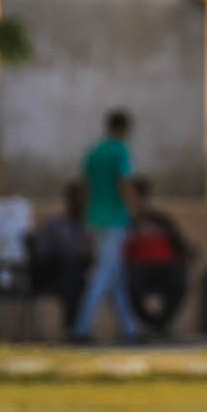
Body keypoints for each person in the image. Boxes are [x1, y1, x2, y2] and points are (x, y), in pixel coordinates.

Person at [73, 108, 142, 343]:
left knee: (115, 275)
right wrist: (135, 211)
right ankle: (81, 328)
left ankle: (130, 328)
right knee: (102, 274)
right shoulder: (119, 151)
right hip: (114, 219)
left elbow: (84, 187)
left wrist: (84, 216)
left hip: (93, 218)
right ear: (124, 128)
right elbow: (125, 183)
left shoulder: (93, 152)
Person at [123, 175, 192, 337]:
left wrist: (187, 253)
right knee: (130, 285)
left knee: (179, 282)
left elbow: (179, 242)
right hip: (138, 267)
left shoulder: (160, 219)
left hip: (165, 266)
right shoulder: (124, 222)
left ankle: (161, 326)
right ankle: (150, 324)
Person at [24, 180, 92, 338]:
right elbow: (43, 253)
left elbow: (85, 256)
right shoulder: (55, 224)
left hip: (72, 274)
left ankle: (76, 328)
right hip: (47, 273)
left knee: (81, 278)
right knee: (70, 267)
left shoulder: (86, 226)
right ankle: (73, 328)